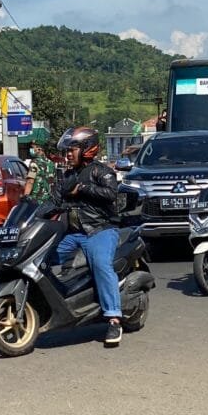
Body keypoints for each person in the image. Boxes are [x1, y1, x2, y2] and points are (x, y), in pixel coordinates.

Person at [54, 126, 123, 346]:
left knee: (101, 264)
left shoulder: (102, 171)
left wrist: (83, 188)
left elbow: (111, 194)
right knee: (45, 257)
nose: (68, 154)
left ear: (86, 149)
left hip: (100, 229)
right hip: (73, 233)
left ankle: (113, 319)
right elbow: (55, 200)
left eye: (72, 149)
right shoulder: (67, 175)